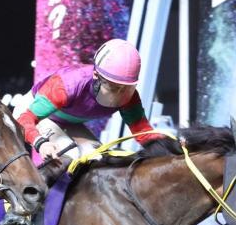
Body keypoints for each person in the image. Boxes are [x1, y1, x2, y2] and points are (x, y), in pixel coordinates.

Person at [15, 39, 167, 173]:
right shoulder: (67, 85)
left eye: (126, 88)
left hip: (67, 122)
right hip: (31, 114)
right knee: (71, 156)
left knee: (99, 159)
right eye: (113, 87)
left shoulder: (130, 96)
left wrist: (174, 145)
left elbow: (144, 134)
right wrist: (40, 143)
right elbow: (25, 119)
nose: (120, 95)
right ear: (96, 76)